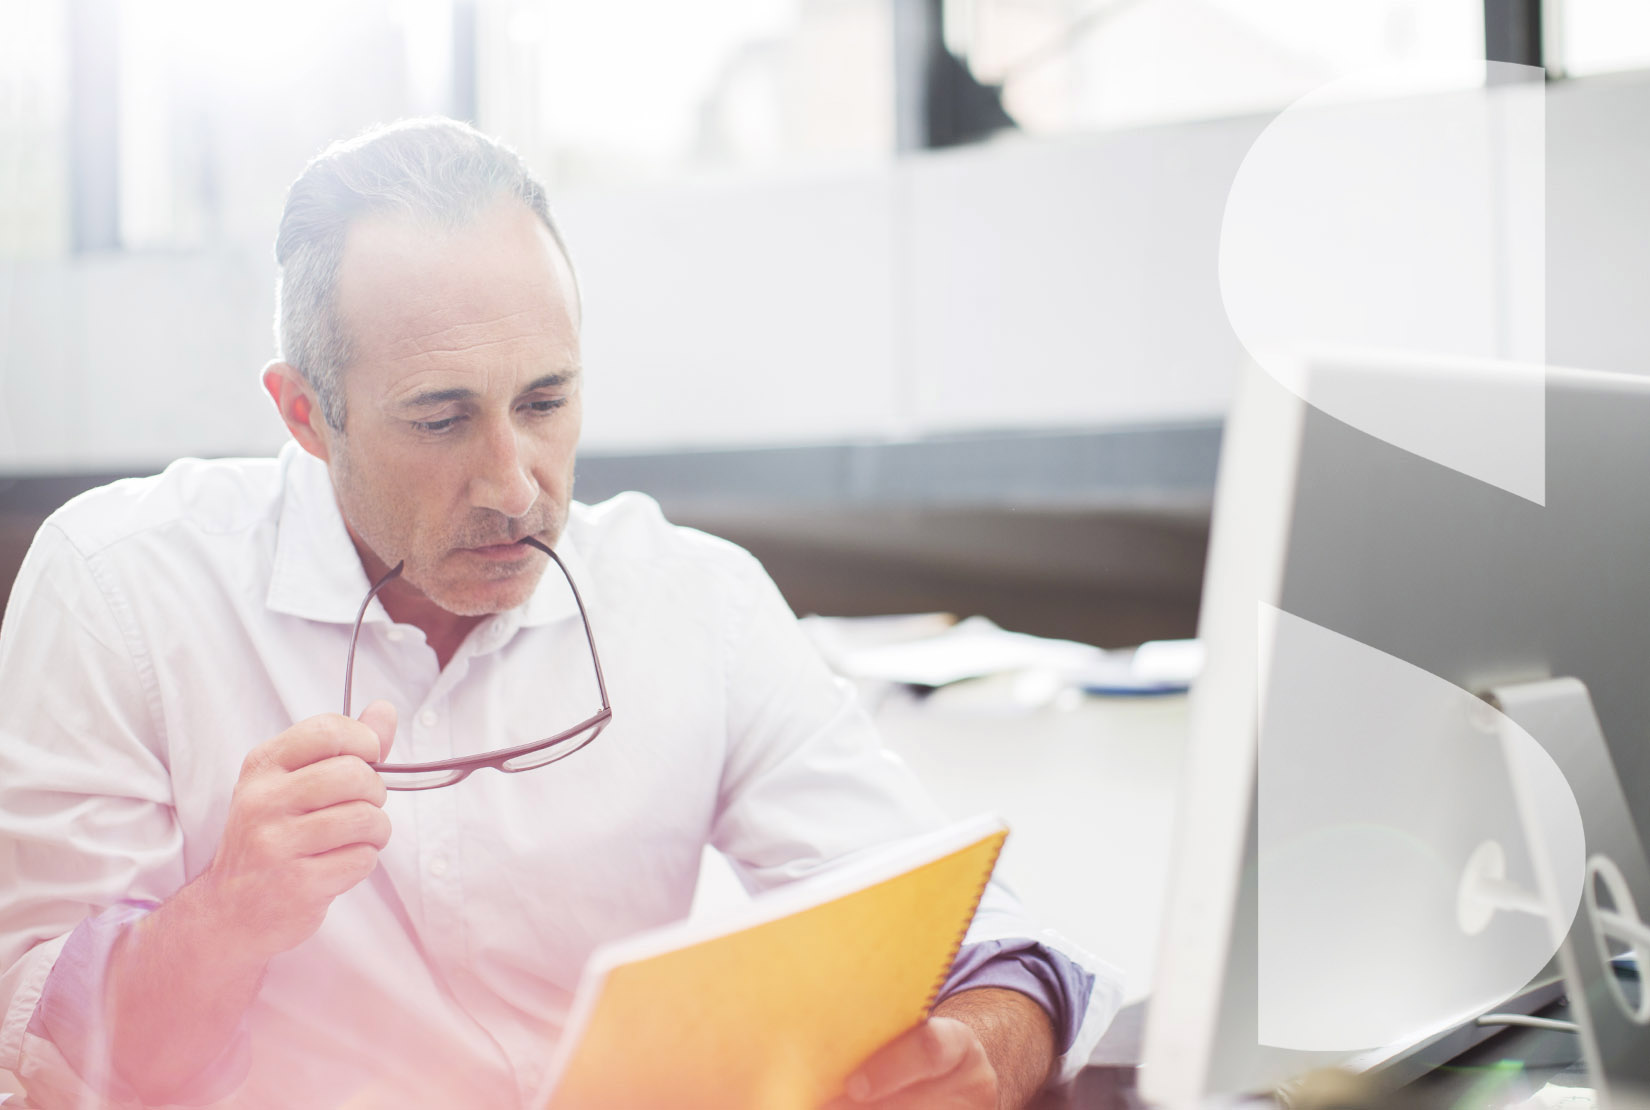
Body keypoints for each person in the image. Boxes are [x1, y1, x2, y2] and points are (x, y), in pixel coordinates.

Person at [0, 119, 1119, 1108]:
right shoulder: (121, 590)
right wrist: (229, 914)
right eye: (440, 420)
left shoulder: (693, 601)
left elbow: (996, 941)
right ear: (304, 412)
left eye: (546, 402)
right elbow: (44, 1061)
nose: (514, 483)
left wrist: (983, 1053)